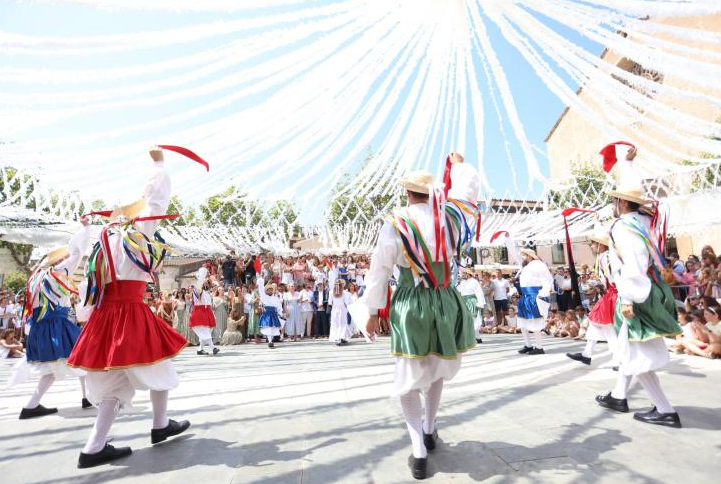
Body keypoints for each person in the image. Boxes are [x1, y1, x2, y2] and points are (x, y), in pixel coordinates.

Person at [67, 147, 190, 468]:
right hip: (129, 316)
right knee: (160, 369)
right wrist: (159, 165)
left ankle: (93, 448)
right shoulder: (134, 235)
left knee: (114, 384)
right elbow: (157, 201)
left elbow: (88, 290)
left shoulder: (101, 244)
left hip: (104, 318)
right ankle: (160, 425)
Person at [361, 153, 478, 480]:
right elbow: (468, 192)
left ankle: (419, 450)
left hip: (411, 303)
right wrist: (458, 166)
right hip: (444, 298)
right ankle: (429, 428)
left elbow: (379, 269)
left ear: (408, 193)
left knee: (408, 375)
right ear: (432, 193)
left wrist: (372, 311)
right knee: (438, 364)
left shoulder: (395, 223)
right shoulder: (451, 219)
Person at [595, 148, 683, 428]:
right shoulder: (644, 222)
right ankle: (619, 396)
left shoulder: (623, 227)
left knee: (633, 350)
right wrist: (627, 165)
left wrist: (628, 298)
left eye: (615, 200)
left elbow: (632, 263)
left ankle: (665, 410)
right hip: (648, 289)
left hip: (637, 293)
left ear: (620, 202)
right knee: (630, 349)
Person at [8, 218, 92, 419]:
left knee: (61, 364)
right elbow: (78, 253)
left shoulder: (36, 278)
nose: (65, 261)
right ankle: (85, 397)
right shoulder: (58, 273)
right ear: (58, 261)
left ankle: (83, 397)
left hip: (40, 327)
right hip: (57, 326)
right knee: (79, 357)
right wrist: (86, 228)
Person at [567, 228, 619, 368]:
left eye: (594, 243)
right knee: (595, 322)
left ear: (601, 245)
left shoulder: (605, 257)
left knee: (608, 328)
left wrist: (604, 287)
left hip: (613, 294)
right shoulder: (605, 256)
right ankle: (586, 354)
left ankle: (618, 359)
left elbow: (613, 277)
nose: (592, 246)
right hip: (611, 293)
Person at [516, 249, 553, 355]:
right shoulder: (526, 266)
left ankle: (539, 347)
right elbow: (514, 253)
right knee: (522, 322)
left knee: (535, 321)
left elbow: (547, 279)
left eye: (524, 256)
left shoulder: (538, 264)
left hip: (534, 296)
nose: (522, 257)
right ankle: (528, 345)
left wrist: (543, 293)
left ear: (529, 256)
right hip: (525, 296)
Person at [189, 266, 219, 356]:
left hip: (207, 312)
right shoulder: (197, 291)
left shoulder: (207, 292)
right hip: (199, 313)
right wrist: (202, 276)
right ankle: (213, 348)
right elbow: (199, 288)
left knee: (207, 331)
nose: (206, 283)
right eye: (204, 282)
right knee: (205, 332)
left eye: (206, 283)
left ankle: (200, 349)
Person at [457, 268, 485, 344]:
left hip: (472, 302)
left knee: (473, 320)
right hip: (464, 302)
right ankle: (476, 338)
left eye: (464, 273)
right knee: (465, 320)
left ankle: (476, 338)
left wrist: (480, 303)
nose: (462, 275)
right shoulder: (462, 282)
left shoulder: (474, 282)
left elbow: (479, 293)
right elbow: (458, 290)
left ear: (468, 274)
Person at [257, 276, 283, 348]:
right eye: (269, 290)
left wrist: (280, 313)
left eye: (271, 290)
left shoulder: (275, 298)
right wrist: (260, 279)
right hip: (267, 314)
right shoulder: (264, 296)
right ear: (267, 291)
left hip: (273, 314)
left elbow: (279, 306)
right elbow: (261, 289)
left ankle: (270, 341)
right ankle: (270, 341)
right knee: (268, 328)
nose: (270, 291)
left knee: (273, 328)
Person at [329, 280, 352, 346]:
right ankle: (341, 338)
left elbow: (330, 303)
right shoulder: (344, 293)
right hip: (342, 309)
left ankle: (339, 338)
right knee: (342, 324)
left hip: (335, 309)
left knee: (336, 324)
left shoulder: (331, 292)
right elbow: (346, 303)